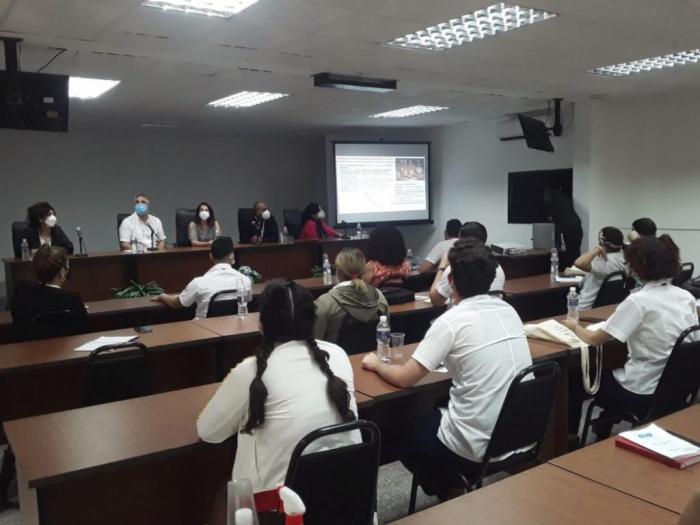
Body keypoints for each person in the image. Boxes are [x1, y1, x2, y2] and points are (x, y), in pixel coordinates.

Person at [361, 240, 532, 499]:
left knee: (398, 433)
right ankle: (453, 486)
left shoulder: (452, 321)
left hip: (477, 443)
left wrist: (376, 363)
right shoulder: (509, 311)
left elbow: (406, 378)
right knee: (434, 411)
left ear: (450, 280)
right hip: (519, 434)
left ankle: (451, 491)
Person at [196, 279, 358, 494]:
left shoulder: (250, 372)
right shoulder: (337, 355)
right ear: (313, 319)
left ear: (262, 324)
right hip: (349, 498)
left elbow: (208, 432)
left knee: (222, 494)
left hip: (282, 511)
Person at [563, 235, 698, 442]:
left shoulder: (638, 301)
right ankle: (603, 428)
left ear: (637, 267)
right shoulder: (685, 296)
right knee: (614, 363)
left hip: (641, 391)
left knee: (574, 376)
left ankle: (569, 438)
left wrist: (574, 326)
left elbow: (594, 339)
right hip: (675, 390)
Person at [152, 237, 250, 319]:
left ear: (211, 256)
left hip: (206, 334)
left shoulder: (199, 283)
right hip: (236, 331)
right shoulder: (245, 281)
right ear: (232, 256)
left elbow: (175, 303)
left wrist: (162, 296)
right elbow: (245, 304)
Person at [10, 245, 88, 341]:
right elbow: (84, 332)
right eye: (67, 267)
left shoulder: (21, 293)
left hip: (26, 352)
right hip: (66, 352)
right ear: (62, 272)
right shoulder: (71, 300)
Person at [314, 247, 389, 343]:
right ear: (363, 270)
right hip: (373, 356)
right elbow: (385, 335)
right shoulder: (379, 297)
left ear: (338, 271)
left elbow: (315, 342)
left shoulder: (325, 303)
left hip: (338, 357)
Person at [430, 222, 506, 307]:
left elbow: (436, 301)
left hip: (460, 317)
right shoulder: (497, 267)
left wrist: (442, 266)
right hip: (491, 316)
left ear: (462, 242)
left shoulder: (457, 267)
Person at [574, 227, 628, 311]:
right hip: (607, 308)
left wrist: (596, 249)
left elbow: (578, 263)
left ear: (601, 243)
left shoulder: (602, 262)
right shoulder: (625, 259)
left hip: (584, 308)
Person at [545, 188, 583, 270]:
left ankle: (567, 274)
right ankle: (575, 275)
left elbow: (557, 225)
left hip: (569, 228)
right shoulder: (563, 197)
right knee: (574, 254)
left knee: (567, 255)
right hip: (577, 227)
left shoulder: (550, 198)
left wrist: (556, 243)